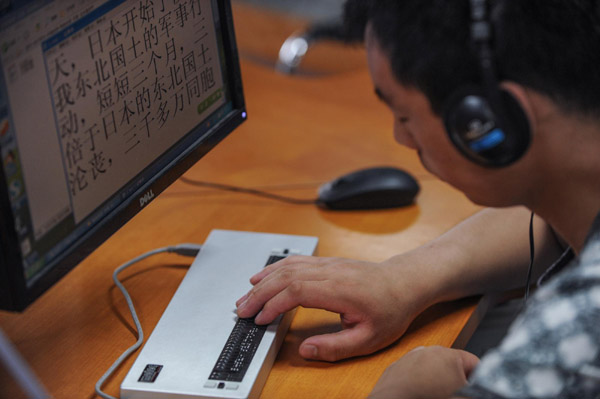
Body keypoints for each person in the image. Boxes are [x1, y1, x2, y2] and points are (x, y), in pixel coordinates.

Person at [236, 0, 600, 397]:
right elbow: (552, 206)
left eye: (404, 115)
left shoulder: (574, 338)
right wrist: (399, 281)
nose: (400, 137)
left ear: (489, 124)